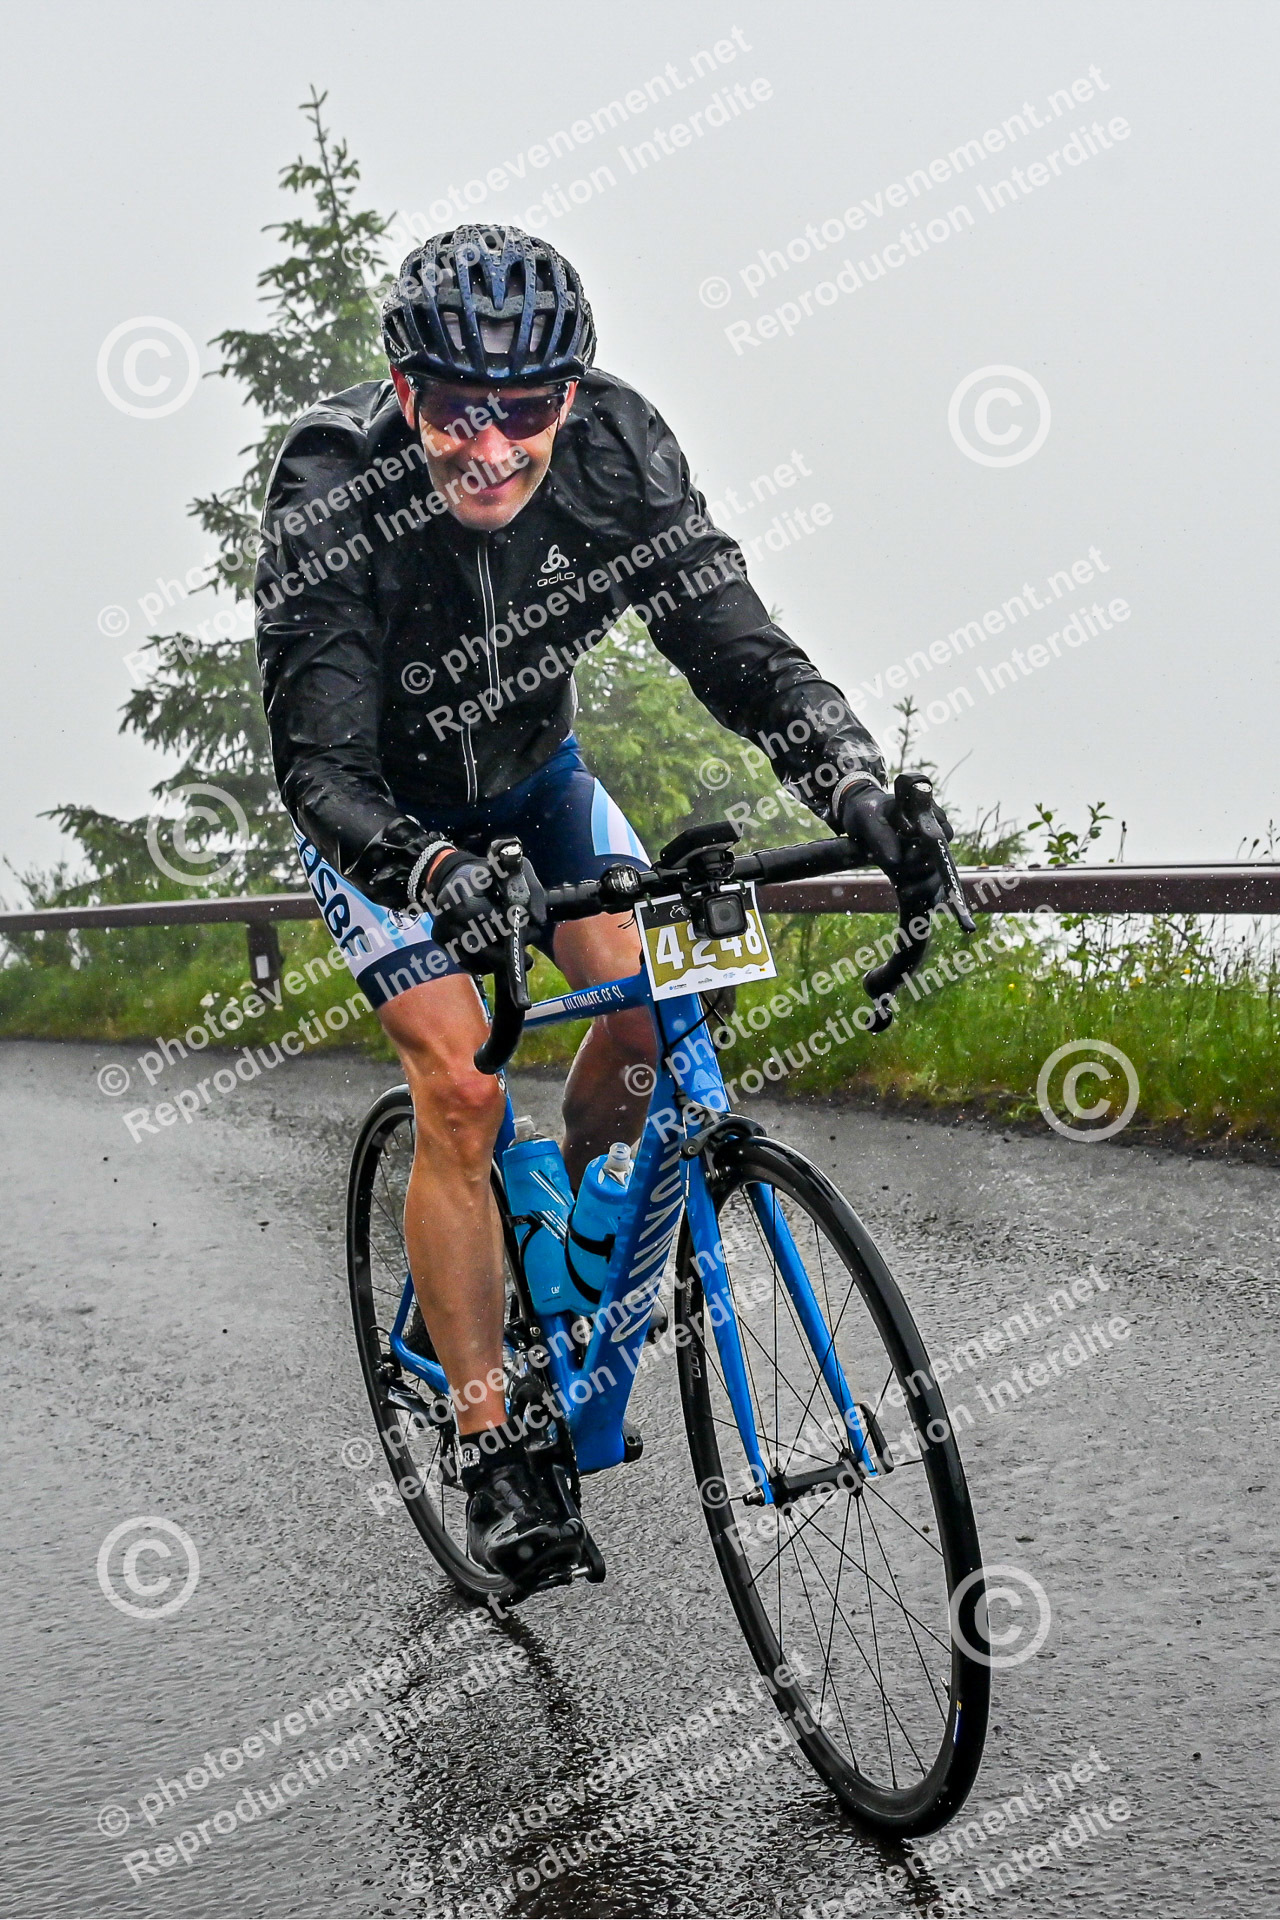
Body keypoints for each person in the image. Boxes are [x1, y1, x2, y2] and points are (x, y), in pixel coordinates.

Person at [255, 225, 920, 1583]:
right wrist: (430, 871)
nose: (491, 447)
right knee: (461, 1088)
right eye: (457, 408)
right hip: (387, 825)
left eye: (527, 409)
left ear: (573, 395)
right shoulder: (331, 481)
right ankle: (493, 1441)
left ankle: (567, 1247)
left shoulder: (616, 446)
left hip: (538, 786)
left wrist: (854, 778)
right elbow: (319, 763)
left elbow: (740, 650)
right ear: (404, 391)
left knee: (658, 1019)